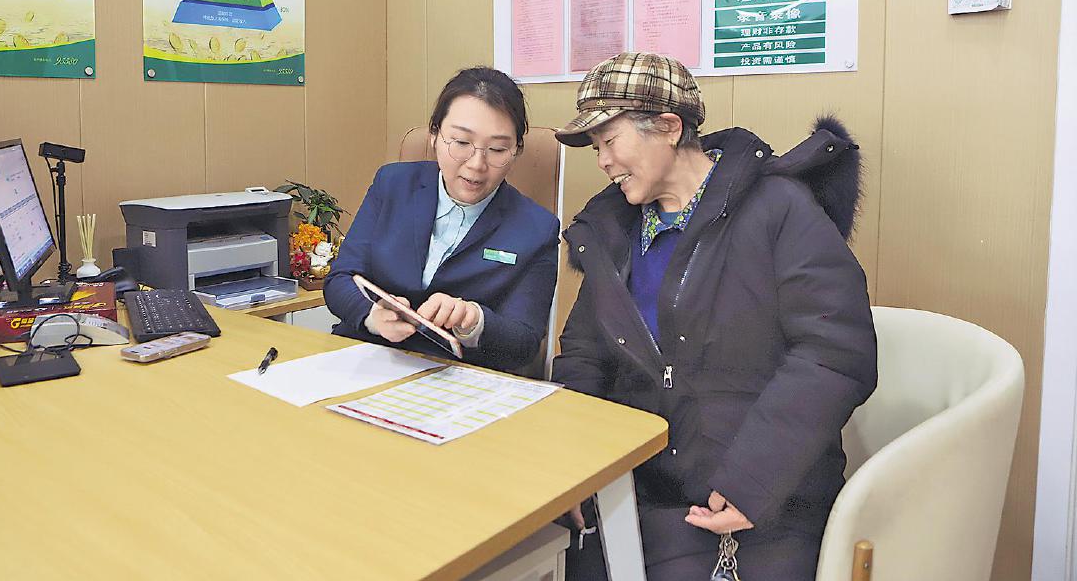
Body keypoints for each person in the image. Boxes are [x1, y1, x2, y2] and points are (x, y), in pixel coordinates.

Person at [551, 53, 877, 580]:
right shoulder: (613, 231)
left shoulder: (779, 209)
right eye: (596, 148)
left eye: (609, 141)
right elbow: (584, 355)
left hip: (762, 501)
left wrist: (754, 479)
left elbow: (835, 352)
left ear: (669, 127)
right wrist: (572, 467)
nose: (603, 162)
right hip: (638, 492)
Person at [325, 67, 560, 372]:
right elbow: (340, 279)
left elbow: (524, 342)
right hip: (368, 358)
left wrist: (475, 321)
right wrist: (372, 316)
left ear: (516, 151)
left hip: (455, 378)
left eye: (497, 149)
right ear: (435, 135)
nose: (476, 165)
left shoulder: (537, 229)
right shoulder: (393, 184)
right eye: (461, 143)